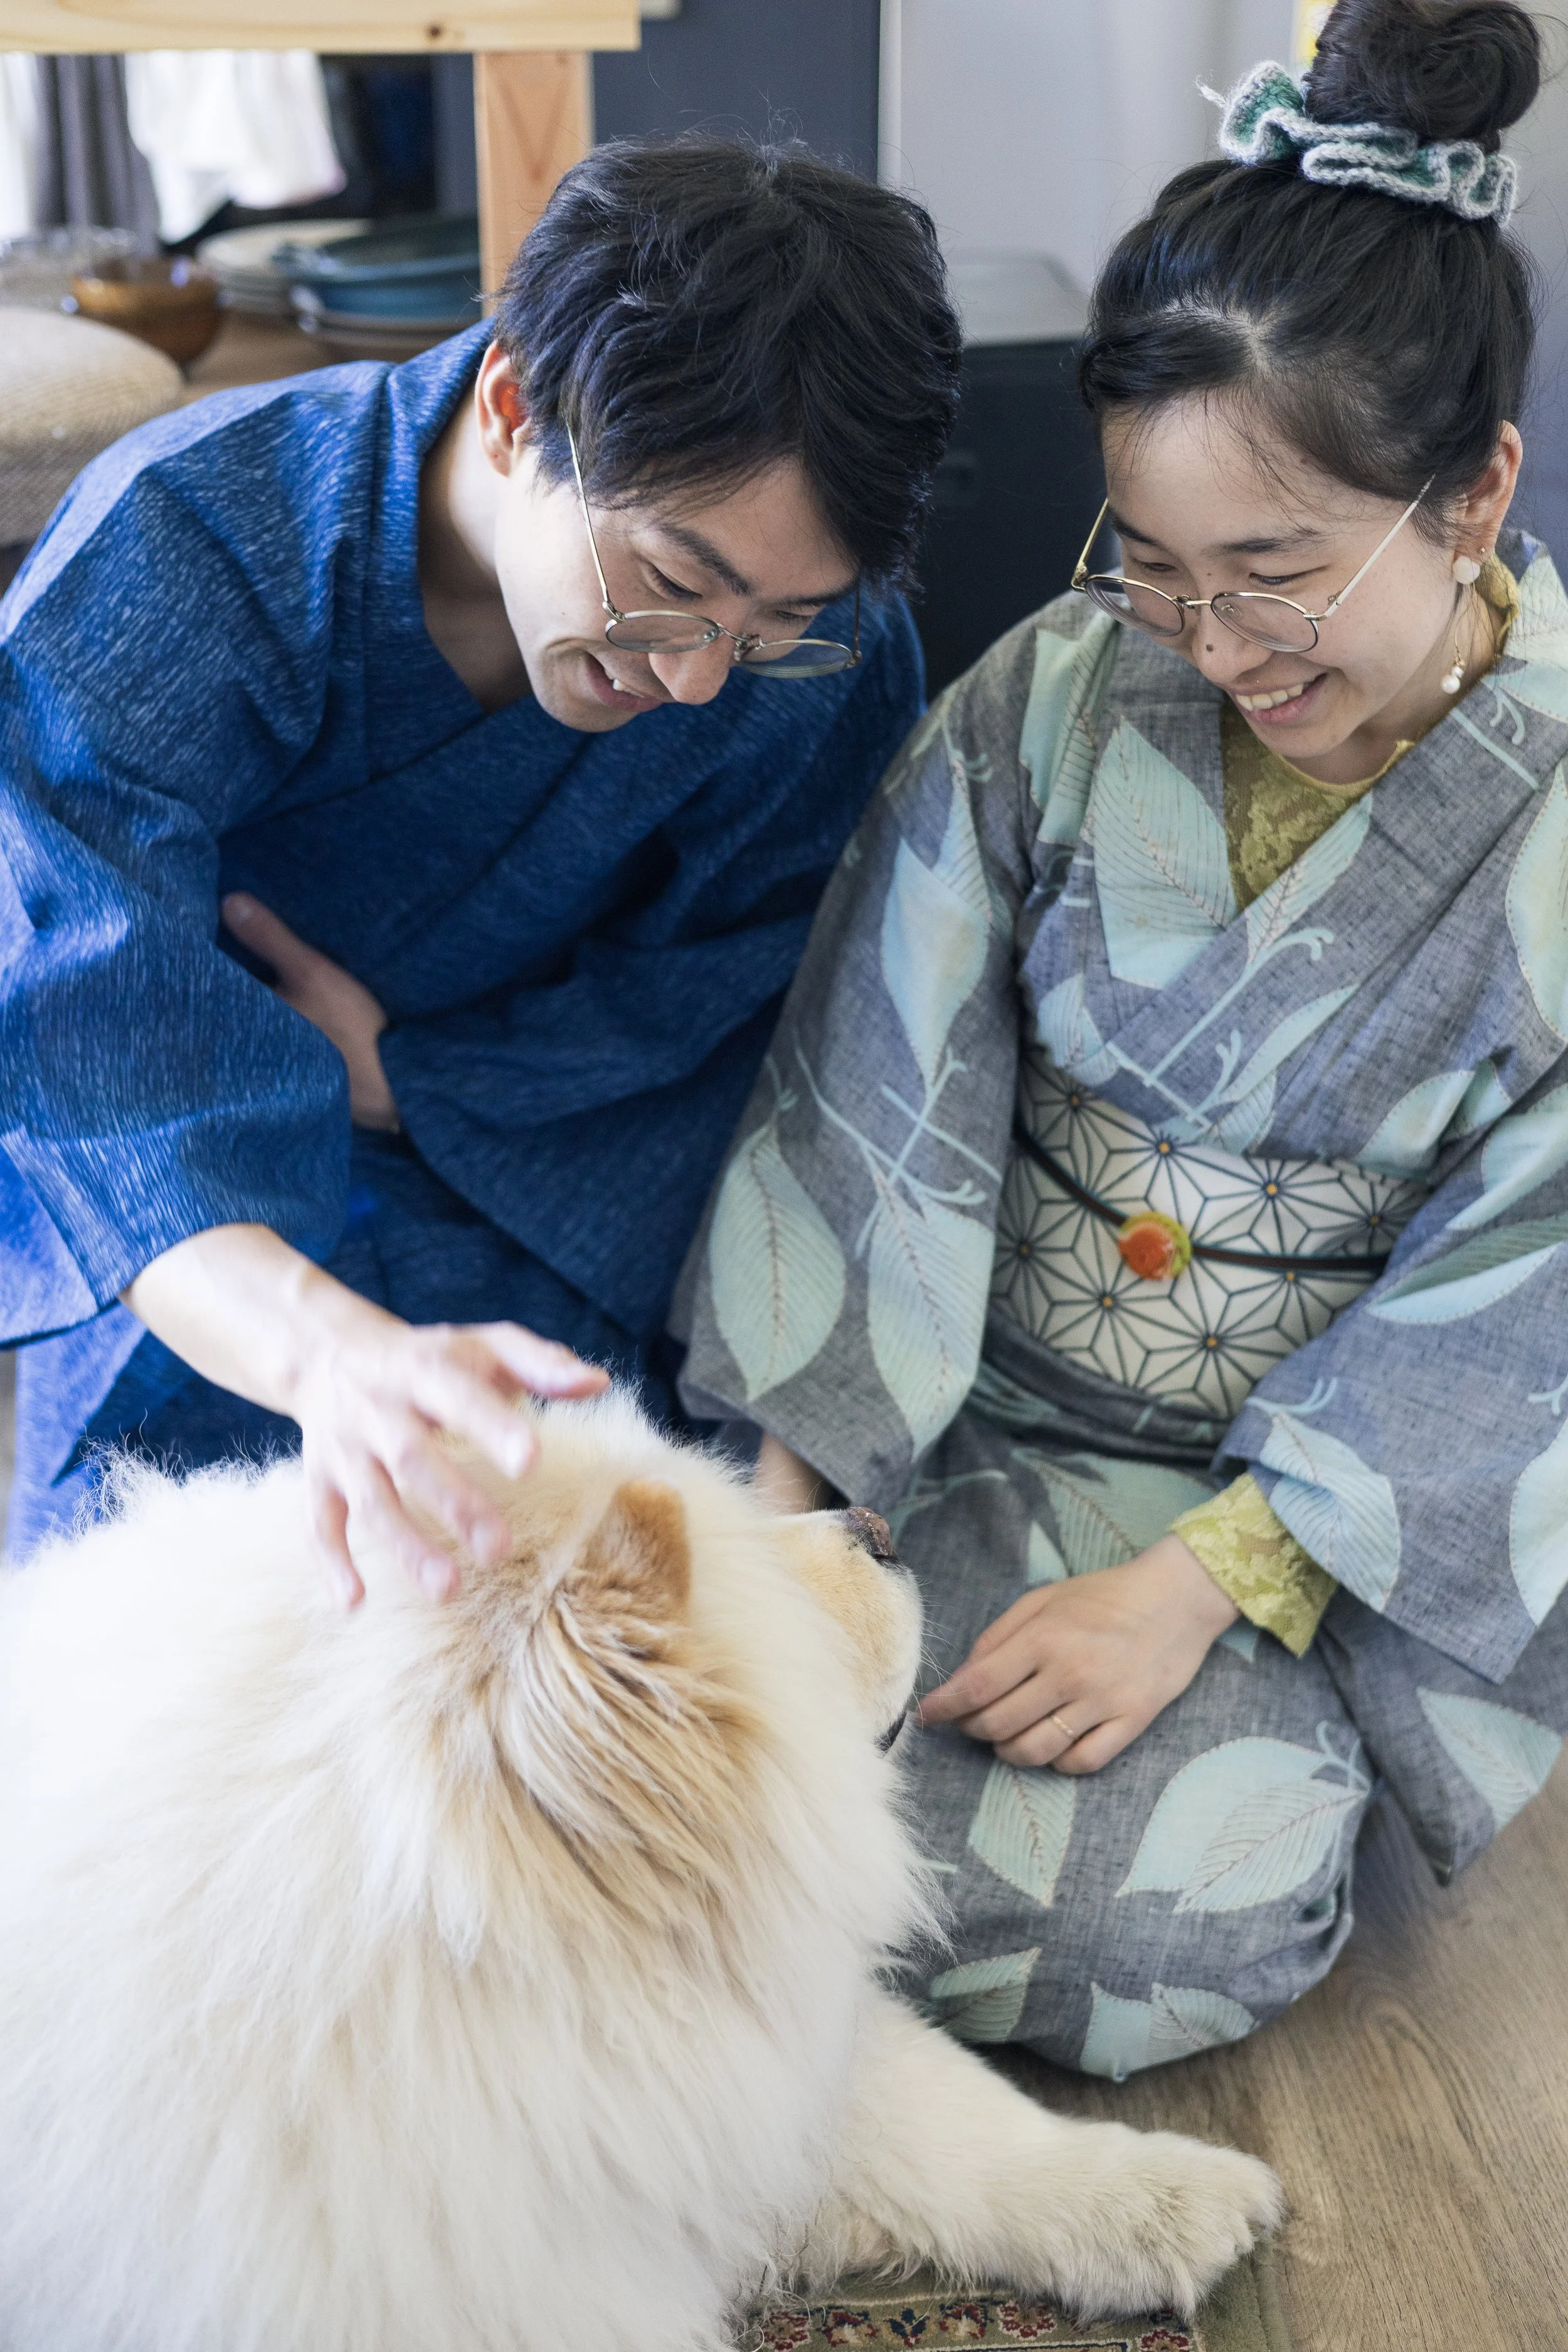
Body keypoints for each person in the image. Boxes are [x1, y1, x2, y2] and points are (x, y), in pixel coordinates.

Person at [678, 0, 1568, 2077]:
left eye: (1277, 573)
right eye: (1152, 567)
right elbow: (872, 1095)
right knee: (716, 1780)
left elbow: (1530, 1322)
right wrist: (796, 1543)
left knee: (1151, 1919)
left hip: (1295, 1529)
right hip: (963, 1422)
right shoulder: (1061, 694)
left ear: (1475, 493)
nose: (1214, 646)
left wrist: (1192, 1590)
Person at [0, 137, 961, 1596]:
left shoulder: (818, 660)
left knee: (565, 1607)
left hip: (533, 1163)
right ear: (517, 408)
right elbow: (85, 1034)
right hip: (213, 1209)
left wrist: (425, 1084)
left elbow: (743, 1008)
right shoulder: (187, 544)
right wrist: (325, 1355)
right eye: (672, 584)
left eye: (775, 621)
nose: (704, 680)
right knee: (163, 1627)